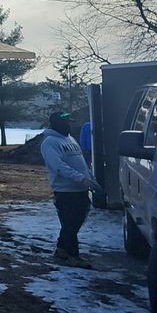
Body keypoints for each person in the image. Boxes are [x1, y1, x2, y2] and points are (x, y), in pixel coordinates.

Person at [39, 111, 101, 268]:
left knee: (74, 221)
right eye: (65, 122)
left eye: (69, 121)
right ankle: (73, 256)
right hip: (65, 191)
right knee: (71, 224)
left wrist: (90, 178)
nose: (69, 125)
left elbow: (80, 162)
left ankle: (62, 249)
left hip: (80, 189)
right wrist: (80, 179)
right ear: (55, 123)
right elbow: (59, 166)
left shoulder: (70, 139)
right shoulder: (50, 142)